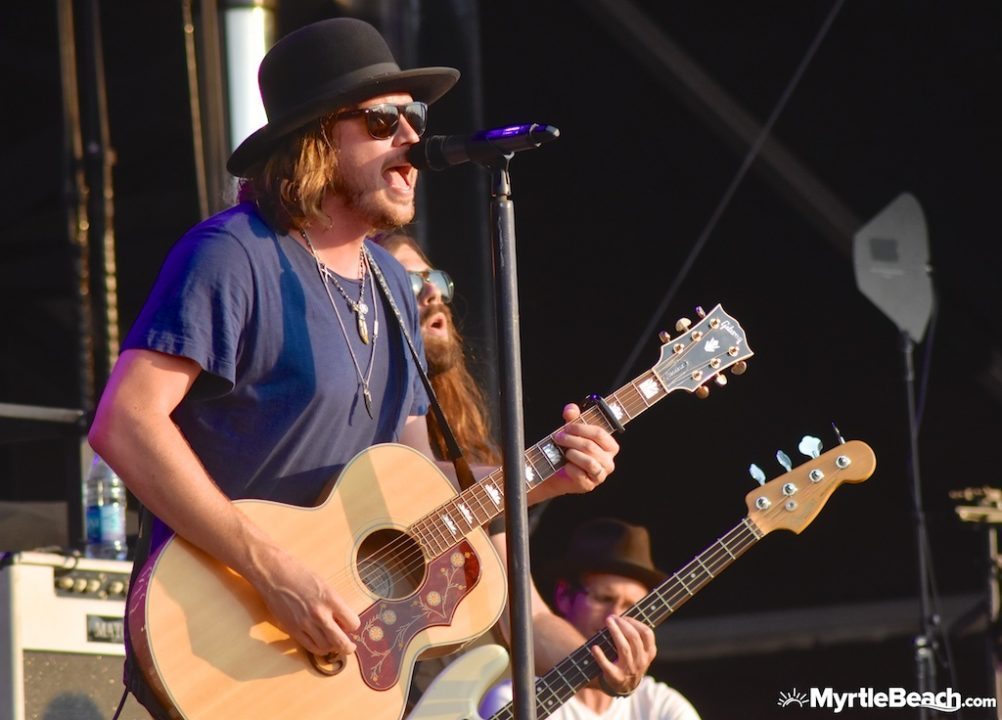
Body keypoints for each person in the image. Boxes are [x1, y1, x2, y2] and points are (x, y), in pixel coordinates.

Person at [87, 18, 623, 719]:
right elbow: (125, 423)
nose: (411, 139)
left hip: (329, 662)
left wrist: (543, 475)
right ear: (314, 138)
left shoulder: (395, 288)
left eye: (416, 117)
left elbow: (415, 481)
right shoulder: (234, 254)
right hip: (220, 632)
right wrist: (273, 570)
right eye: (381, 120)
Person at [377, 232, 659, 703]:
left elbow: (527, 620)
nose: (432, 294)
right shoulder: (350, 422)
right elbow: (417, 481)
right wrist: (548, 479)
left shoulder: (465, 449)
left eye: (437, 281)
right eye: (409, 283)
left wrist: (603, 665)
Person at [547, 517, 701, 720]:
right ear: (563, 596)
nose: (615, 617)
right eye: (604, 598)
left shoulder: (663, 706)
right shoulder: (518, 699)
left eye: (631, 606)